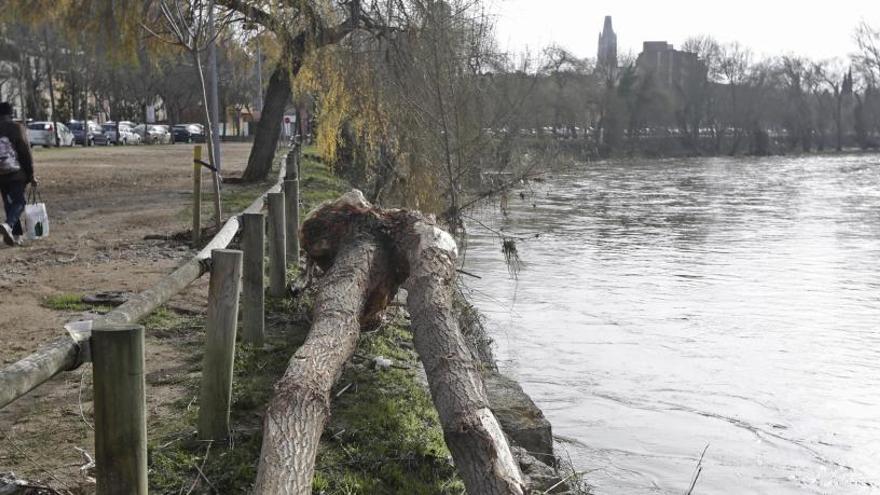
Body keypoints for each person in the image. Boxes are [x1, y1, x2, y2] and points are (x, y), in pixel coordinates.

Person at [0, 102, 35, 246]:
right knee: (20, 201)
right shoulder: (16, 128)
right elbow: (24, 152)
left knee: (9, 204)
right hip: (16, 173)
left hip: (1, 174)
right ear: (10, 113)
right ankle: (8, 226)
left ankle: (16, 235)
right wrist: (31, 174)